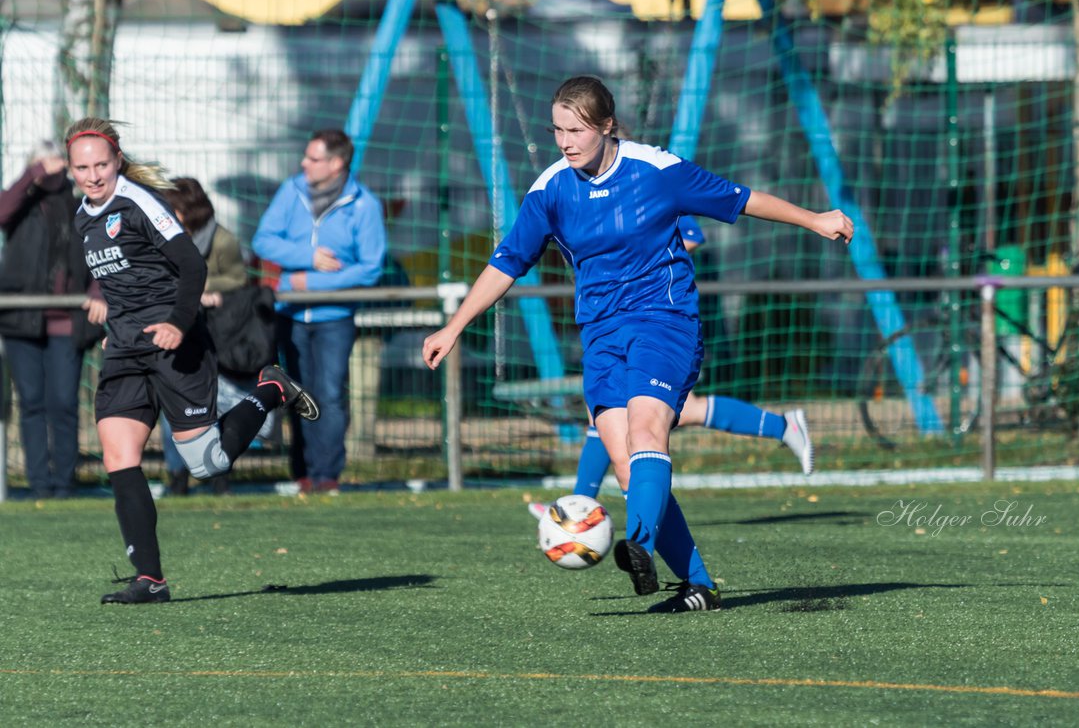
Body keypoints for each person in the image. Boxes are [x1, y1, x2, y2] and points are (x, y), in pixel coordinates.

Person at [423, 76, 852, 612]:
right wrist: (455, 325)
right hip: (601, 335)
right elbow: (508, 260)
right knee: (624, 463)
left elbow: (742, 199)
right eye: (556, 129)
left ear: (606, 126)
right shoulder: (551, 189)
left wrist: (815, 219)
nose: (565, 141)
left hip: (664, 321)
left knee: (649, 428)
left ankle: (640, 545)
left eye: (576, 130)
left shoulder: (657, 170)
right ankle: (700, 585)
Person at [67, 117, 320, 605]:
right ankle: (150, 579)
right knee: (119, 456)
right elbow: (122, 275)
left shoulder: (140, 203)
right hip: (124, 347)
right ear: (72, 171)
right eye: (83, 167)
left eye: (101, 164)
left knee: (207, 463)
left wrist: (179, 325)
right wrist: (111, 318)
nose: (94, 175)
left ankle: (272, 388)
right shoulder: (82, 214)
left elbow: (191, 265)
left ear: (117, 160)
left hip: (173, 342)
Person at [528, 215, 814, 520]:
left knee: (627, 413)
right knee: (620, 411)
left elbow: (692, 234)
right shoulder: (596, 192)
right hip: (619, 320)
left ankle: (580, 508)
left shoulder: (648, 179)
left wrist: (635, 272)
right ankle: (783, 426)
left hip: (656, 322)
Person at [252, 129, 386, 495]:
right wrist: (307, 259)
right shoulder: (291, 191)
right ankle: (303, 474)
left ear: (336, 163)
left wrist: (315, 285)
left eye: (313, 158)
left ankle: (328, 476)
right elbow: (263, 239)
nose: (304, 164)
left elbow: (371, 268)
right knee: (294, 394)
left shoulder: (364, 205)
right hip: (290, 315)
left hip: (334, 319)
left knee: (327, 395)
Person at [0, 140, 107, 499]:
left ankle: (64, 483)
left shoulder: (79, 206)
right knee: (31, 402)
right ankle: (38, 484)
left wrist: (96, 293)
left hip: (67, 324)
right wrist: (32, 173)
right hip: (21, 322)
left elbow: (97, 255)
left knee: (63, 402)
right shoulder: (21, 205)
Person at [159, 177, 276, 496]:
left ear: (189, 209)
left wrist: (205, 289)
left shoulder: (222, 240)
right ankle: (177, 474)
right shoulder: (162, 236)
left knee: (215, 404)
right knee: (173, 406)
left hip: (217, 334)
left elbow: (237, 279)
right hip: (178, 330)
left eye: (174, 207)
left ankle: (220, 473)